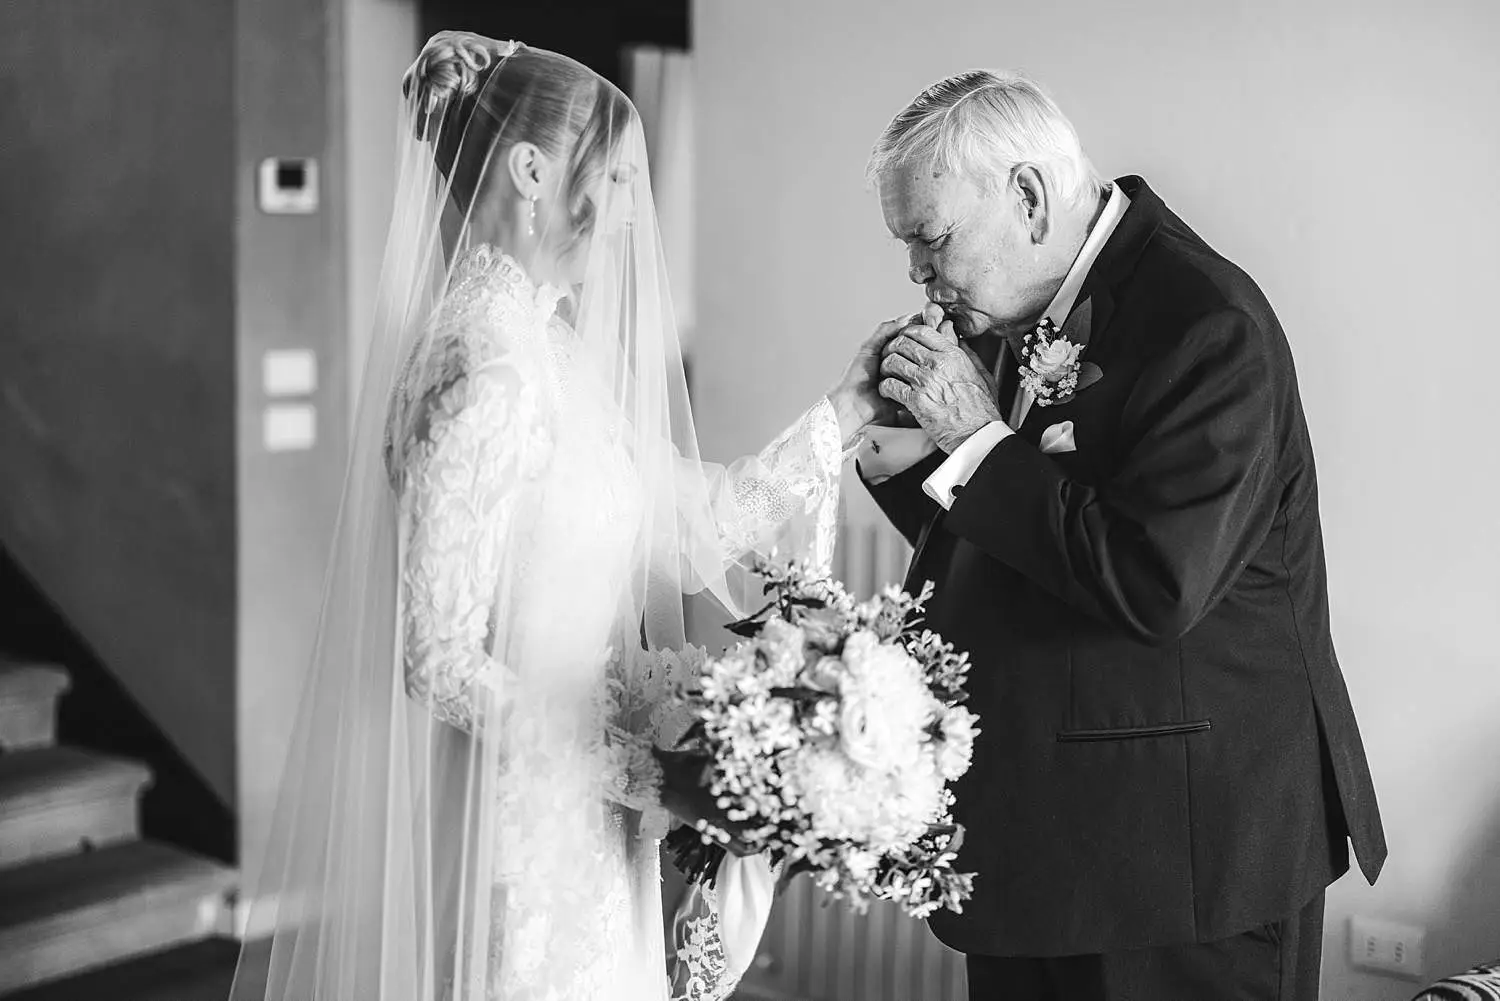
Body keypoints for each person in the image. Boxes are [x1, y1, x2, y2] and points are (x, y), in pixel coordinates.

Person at [228, 32, 885, 1001]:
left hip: (588, 803)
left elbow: (691, 518)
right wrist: (637, 762)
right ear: (533, 170)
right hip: (520, 822)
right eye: (618, 178)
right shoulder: (485, 372)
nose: (629, 216)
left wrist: (846, 412)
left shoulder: (548, 353)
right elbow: (438, 655)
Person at [858, 70, 1387, 1000]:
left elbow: (1154, 582)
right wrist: (900, 456)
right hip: (1050, 833)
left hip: (1180, 854)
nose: (916, 273)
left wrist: (978, 439)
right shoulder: (1022, 308)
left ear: (1027, 197)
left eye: (929, 237)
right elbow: (1026, 548)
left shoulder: (1207, 326)